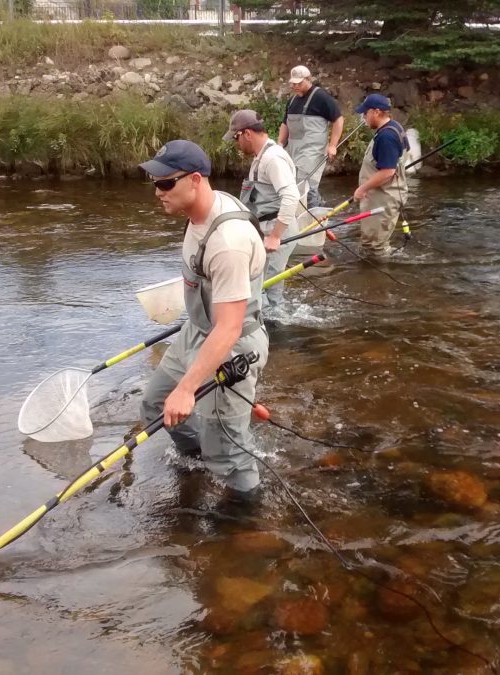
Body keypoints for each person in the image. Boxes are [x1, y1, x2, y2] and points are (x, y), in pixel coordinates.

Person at [138, 139, 269, 502]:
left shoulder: (228, 242)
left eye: (165, 184)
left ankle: (245, 518)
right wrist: (178, 392)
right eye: (154, 183)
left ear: (195, 180)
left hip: (231, 343)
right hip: (195, 332)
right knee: (154, 406)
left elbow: (228, 327)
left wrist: (187, 389)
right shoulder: (198, 214)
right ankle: (197, 460)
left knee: (228, 453)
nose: (157, 193)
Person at [225, 109, 302, 310]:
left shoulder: (272, 159)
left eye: (236, 137)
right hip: (266, 228)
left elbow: (291, 196)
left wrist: (276, 236)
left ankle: (279, 330)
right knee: (260, 285)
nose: (236, 143)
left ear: (247, 134)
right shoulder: (262, 156)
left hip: (277, 230)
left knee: (270, 288)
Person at [278, 65, 344, 209]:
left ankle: (314, 219)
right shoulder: (292, 101)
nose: (295, 86)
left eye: (299, 83)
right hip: (293, 151)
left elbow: (338, 119)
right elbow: (285, 123)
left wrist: (332, 145)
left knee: (307, 188)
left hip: (312, 152)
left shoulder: (321, 97)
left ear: (308, 80)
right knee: (291, 187)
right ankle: (308, 214)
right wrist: (280, 144)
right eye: (293, 83)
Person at [352, 93, 410, 259]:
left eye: (366, 113)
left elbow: (387, 172)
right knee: (372, 242)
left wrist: (362, 188)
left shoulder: (386, 137)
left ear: (376, 112)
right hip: (381, 195)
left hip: (383, 198)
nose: (364, 117)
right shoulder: (394, 127)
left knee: (374, 246)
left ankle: (379, 280)